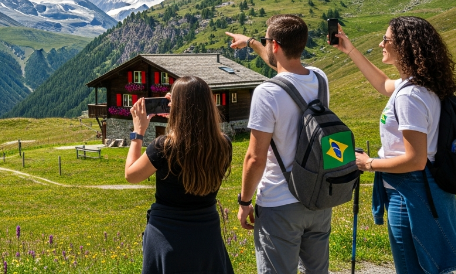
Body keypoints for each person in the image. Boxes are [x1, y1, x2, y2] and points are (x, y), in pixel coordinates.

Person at [331, 17, 456, 274]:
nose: (381, 44)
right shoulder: (419, 85)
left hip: (409, 194)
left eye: (386, 40)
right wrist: (350, 49)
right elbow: (383, 84)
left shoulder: (410, 96)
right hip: (426, 188)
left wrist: (368, 163)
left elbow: (415, 159)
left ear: (405, 46)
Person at [226, 14, 331, 274]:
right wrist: (252, 42)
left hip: (280, 203)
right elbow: (285, 68)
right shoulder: (320, 79)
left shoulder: (267, 92)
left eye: (266, 40)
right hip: (318, 199)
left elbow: (255, 158)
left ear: (275, 45)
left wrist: (244, 202)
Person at [124, 76, 234, 274]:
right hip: (207, 236)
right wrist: (179, 116)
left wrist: (138, 133)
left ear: (178, 108)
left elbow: (131, 175)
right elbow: (194, 143)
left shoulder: (163, 147)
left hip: (167, 236)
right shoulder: (224, 145)